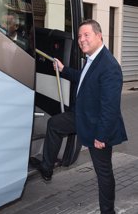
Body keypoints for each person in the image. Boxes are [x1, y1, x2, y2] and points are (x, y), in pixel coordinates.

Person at [36, 19, 128, 214]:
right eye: (79, 36)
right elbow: (84, 78)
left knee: (103, 174)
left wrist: (101, 137)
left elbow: (110, 108)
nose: (81, 39)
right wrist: (63, 70)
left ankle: (107, 211)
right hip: (83, 116)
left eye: (86, 35)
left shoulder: (109, 66)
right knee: (54, 124)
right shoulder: (93, 58)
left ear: (99, 35)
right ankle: (47, 167)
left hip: (98, 128)